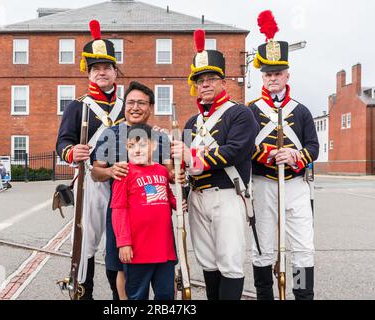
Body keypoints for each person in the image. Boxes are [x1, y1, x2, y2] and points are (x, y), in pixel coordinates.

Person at [171, 30, 259, 300]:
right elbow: (183, 168)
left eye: (211, 79)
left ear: (223, 82)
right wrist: (181, 183)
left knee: (229, 261)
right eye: (200, 80)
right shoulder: (191, 123)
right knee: (207, 261)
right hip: (197, 196)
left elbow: (234, 151)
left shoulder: (240, 113)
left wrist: (190, 156)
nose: (205, 84)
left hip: (227, 194)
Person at [248, 11, 319, 300]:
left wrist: (294, 156)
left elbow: (313, 147)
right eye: (268, 74)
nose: (273, 78)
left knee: (303, 248)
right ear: (262, 76)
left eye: (278, 73)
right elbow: (243, 147)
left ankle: (303, 294)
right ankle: (265, 295)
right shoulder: (250, 110)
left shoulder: (301, 111)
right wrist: (266, 155)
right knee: (263, 248)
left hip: (296, 186)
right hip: (264, 184)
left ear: (287, 74)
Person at [56, 20, 125, 300]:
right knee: (86, 244)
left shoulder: (127, 105)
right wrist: (73, 153)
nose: (101, 73)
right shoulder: (78, 105)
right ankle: (84, 294)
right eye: (96, 68)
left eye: (106, 68)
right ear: (89, 72)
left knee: (120, 243)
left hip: (122, 180)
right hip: (91, 182)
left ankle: (119, 297)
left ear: (114, 71)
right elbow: (62, 143)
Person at [91, 81, 173, 300]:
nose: (135, 107)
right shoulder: (111, 134)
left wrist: (179, 175)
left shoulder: (159, 137)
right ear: (124, 105)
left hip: (154, 221)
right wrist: (110, 172)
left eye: (142, 103)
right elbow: (95, 173)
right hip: (123, 213)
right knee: (120, 269)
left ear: (150, 107)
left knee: (161, 274)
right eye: (131, 102)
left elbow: (169, 174)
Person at [111, 124, 182, 300]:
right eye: (131, 146)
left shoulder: (161, 171)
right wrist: (123, 242)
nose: (136, 150)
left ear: (154, 145)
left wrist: (178, 203)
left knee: (166, 295)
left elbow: (164, 195)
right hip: (138, 251)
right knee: (137, 296)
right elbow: (118, 210)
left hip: (164, 249)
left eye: (142, 145)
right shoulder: (124, 173)